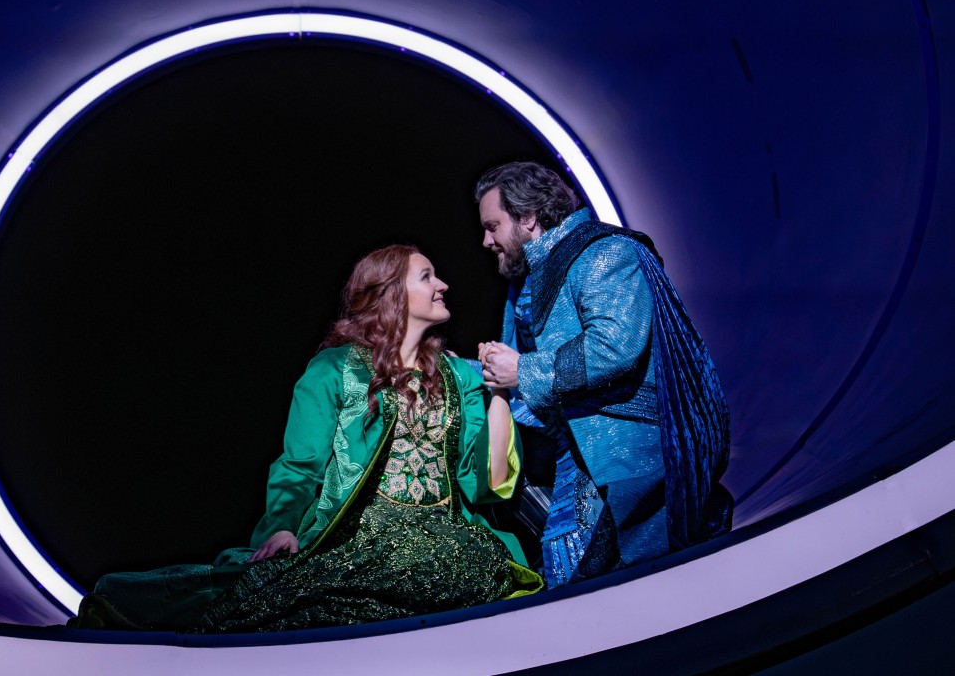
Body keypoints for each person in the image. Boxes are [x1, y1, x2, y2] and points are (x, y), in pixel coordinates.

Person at [70, 244, 541, 632]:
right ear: (389, 295)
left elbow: (489, 482)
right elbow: (300, 466)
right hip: (360, 536)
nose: (443, 285)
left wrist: (499, 395)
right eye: (426, 277)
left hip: (449, 539)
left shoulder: (461, 375)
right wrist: (283, 525)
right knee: (265, 607)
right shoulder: (335, 370)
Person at [474, 162, 733, 588]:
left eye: (493, 225)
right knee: (578, 592)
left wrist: (522, 369)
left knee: (634, 593)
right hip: (575, 464)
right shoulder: (529, 280)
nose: (487, 240)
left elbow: (615, 345)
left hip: (626, 459)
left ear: (528, 217)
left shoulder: (604, 253)